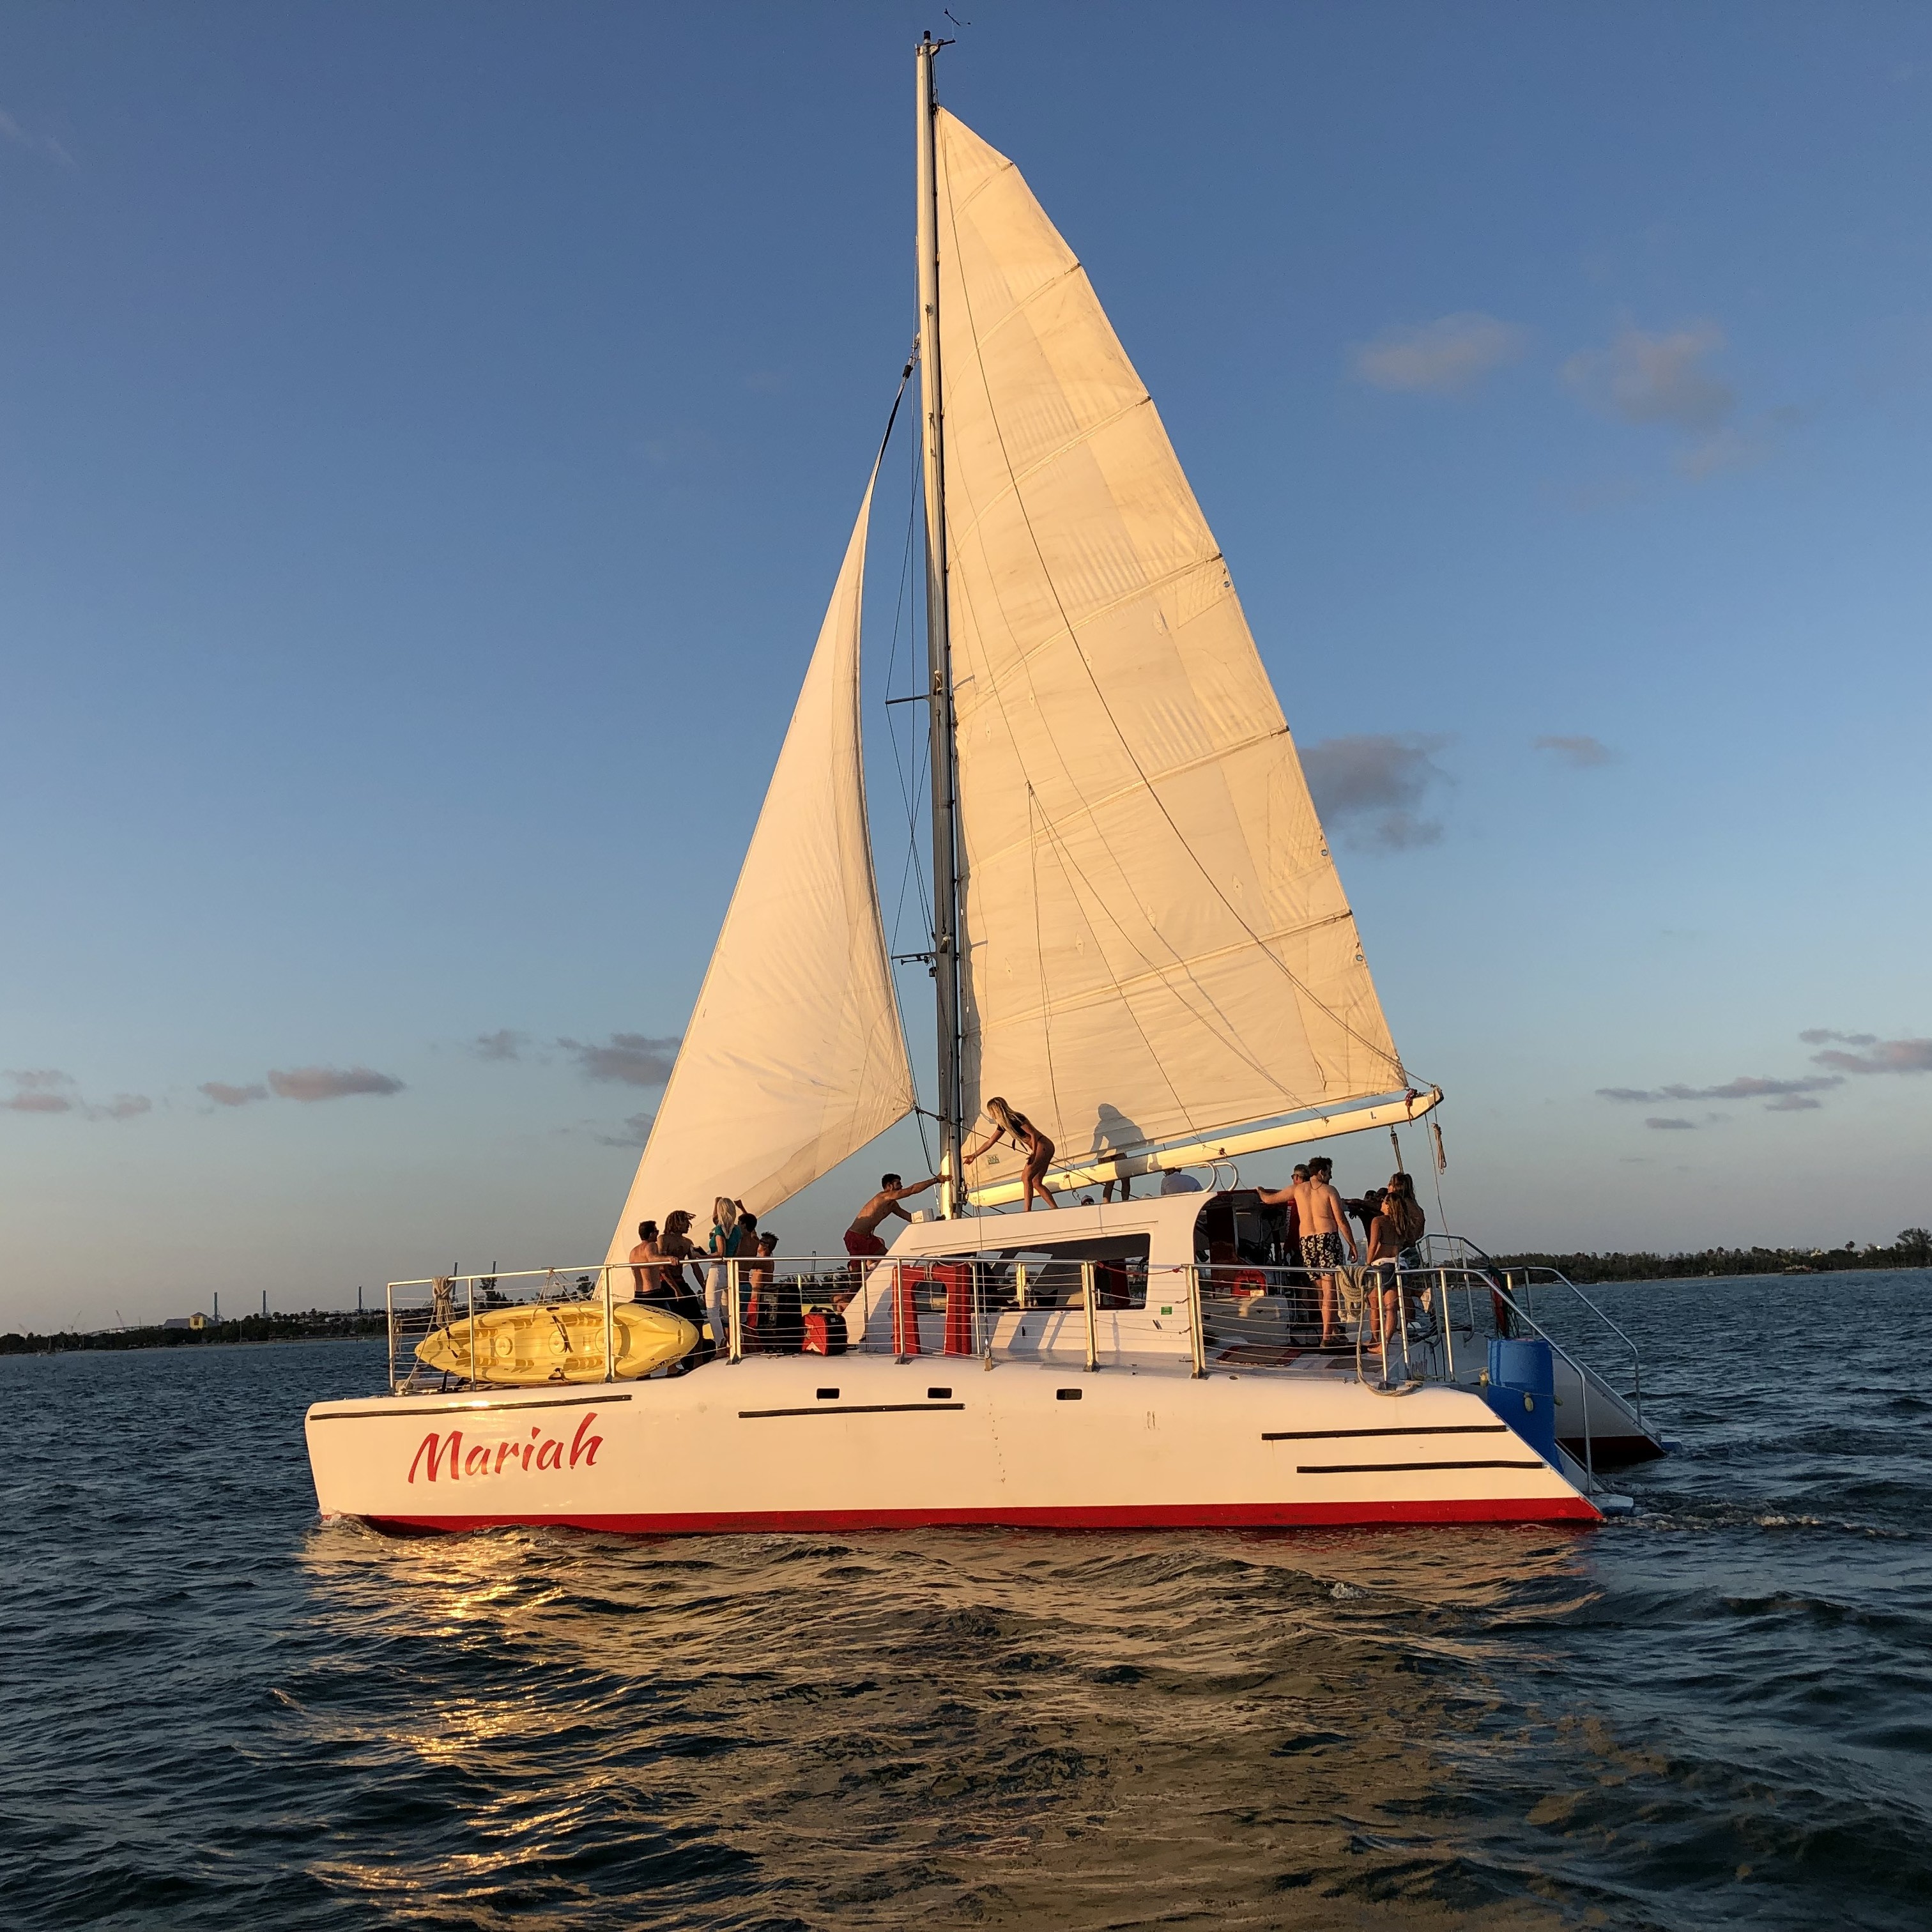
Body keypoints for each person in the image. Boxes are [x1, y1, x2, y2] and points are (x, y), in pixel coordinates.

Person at [1292, 1156, 1358, 1347]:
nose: (1331, 1176)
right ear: (1321, 1172)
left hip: (1306, 1242)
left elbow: (1272, 1198)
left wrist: (1260, 1192)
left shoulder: (1298, 1190)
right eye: (1329, 1172)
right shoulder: (1329, 1190)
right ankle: (1327, 1337)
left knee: (1323, 1291)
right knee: (1331, 1291)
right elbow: (1341, 1221)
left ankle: (1334, 1329)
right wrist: (1352, 1245)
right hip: (1326, 1239)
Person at [963, 1096, 1057, 1211]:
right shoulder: (1004, 1125)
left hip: (1042, 1145)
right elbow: (990, 1141)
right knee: (1036, 1182)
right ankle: (1054, 1208)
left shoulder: (1015, 1118)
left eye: (991, 1111)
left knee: (1025, 1177)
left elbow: (1033, 1134)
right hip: (1043, 1148)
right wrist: (974, 1155)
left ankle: (1027, 1210)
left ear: (996, 1110)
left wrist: (1033, 1153)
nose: (991, 1115)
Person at [1365, 1172, 1427, 1344]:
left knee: (1380, 1299)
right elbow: (1418, 1231)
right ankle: (1407, 1328)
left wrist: (1367, 1263)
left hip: (1396, 1256)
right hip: (1405, 1257)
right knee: (1398, 1298)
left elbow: (1373, 1246)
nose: (1388, 1186)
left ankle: (1377, 1338)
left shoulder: (1387, 1216)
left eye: (1391, 1184)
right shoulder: (1412, 1210)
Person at [657, 1209, 714, 1366]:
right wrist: (675, 1288)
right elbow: (662, 1264)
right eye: (685, 1222)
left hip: (681, 1280)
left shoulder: (687, 1242)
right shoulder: (663, 1239)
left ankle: (698, 1358)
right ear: (677, 1223)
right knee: (674, 1322)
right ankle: (673, 1364)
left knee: (697, 1319)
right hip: (665, 1282)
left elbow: (695, 1266)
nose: (688, 1225)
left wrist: (703, 1285)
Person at [845, 1172, 939, 1257]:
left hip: (868, 1238)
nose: (901, 1186)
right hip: (856, 1236)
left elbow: (910, 1218)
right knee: (857, 1270)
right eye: (898, 1184)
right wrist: (936, 1180)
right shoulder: (883, 1196)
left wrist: (934, 1222)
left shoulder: (893, 1205)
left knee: (888, 1258)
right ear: (890, 1186)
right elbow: (912, 1190)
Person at [704, 1195, 747, 1352]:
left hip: (717, 1269)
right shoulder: (737, 1231)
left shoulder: (719, 1230)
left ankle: (720, 1343)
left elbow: (720, 1253)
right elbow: (736, 1253)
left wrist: (700, 1257)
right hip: (731, 1269)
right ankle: (738, 1341)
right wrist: (716, 1203)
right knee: (730, 1310)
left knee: (712, 1309)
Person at [627, 1220, 661, 1301]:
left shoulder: (633, 1251)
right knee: (668, 1313)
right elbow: (652, 1258)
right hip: (652, 1292)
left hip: (638, 1293)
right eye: (656, 1231)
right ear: (651, 1234)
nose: (657, 1234)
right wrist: (670, 1258)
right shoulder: (651, 1245)